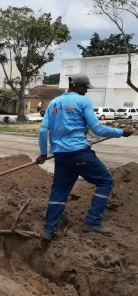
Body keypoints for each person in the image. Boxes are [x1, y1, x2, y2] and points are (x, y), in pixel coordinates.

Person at [36, 73, 134, 241]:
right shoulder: (83, 101)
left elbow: (43, 131)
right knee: (105, 181)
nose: (86, 92)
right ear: (79, 86)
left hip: (61, 155)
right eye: (86, 88)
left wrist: (43, 153)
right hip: (79, 152)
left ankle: (49, 230)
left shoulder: (54, 103)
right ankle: (93, 222)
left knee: (59, 191)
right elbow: (98, 129)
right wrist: (121, 132)